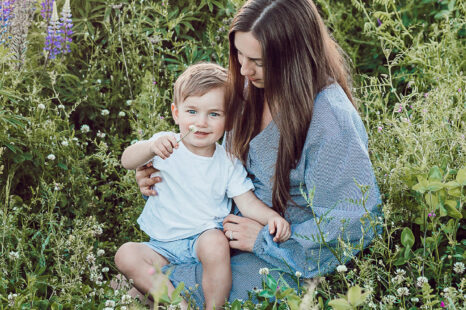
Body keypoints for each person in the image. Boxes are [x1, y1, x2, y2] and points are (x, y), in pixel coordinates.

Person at [133, 0, 382, 306]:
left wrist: (263, 241)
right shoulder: (251, 87)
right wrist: (164, 175)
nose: (243, 69)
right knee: (134, 272)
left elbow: (353, 222)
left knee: (147, 290)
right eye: (239, 54)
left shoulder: (330, 118)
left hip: (284, 258)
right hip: (216, 235)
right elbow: (222, 167)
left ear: (294, 57)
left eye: (258, 61)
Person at [115, 63, 291, 309]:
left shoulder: (227, 161)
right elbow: (126, 160)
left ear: (228, 120)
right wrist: (150, 147)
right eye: (192, 111)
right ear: (176, 113)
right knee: (125, 255)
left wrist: (272, 218)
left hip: (202, 239)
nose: (202, 122)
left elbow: (247, 202)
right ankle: (178, 304)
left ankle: (213, 306)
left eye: (214, 114)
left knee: (216, 243)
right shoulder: (165, 145)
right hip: (162, 245)